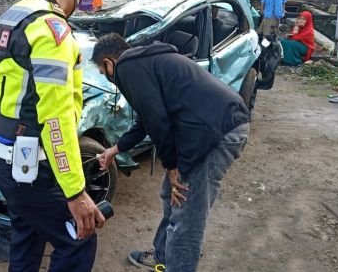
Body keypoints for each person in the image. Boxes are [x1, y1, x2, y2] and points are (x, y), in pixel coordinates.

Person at [0, 0, 106, 271]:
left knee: (28, 232)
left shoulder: (15, 13)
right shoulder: (53, 31)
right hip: (29, 163)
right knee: (79, 239)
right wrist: (75, 193)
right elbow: (56, 117)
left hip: (0, 152)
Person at [93, 34, 250, 272]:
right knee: (171, 194)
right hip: (209, 128)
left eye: (105, 73)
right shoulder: (145, 61)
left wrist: (172, 168)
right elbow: (147, 119)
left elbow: (158, 121)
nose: (110, 79)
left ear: (109, 62)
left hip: (217, 133)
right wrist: (114, 150)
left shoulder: (128, 67)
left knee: (187, 217)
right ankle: (163, 256)